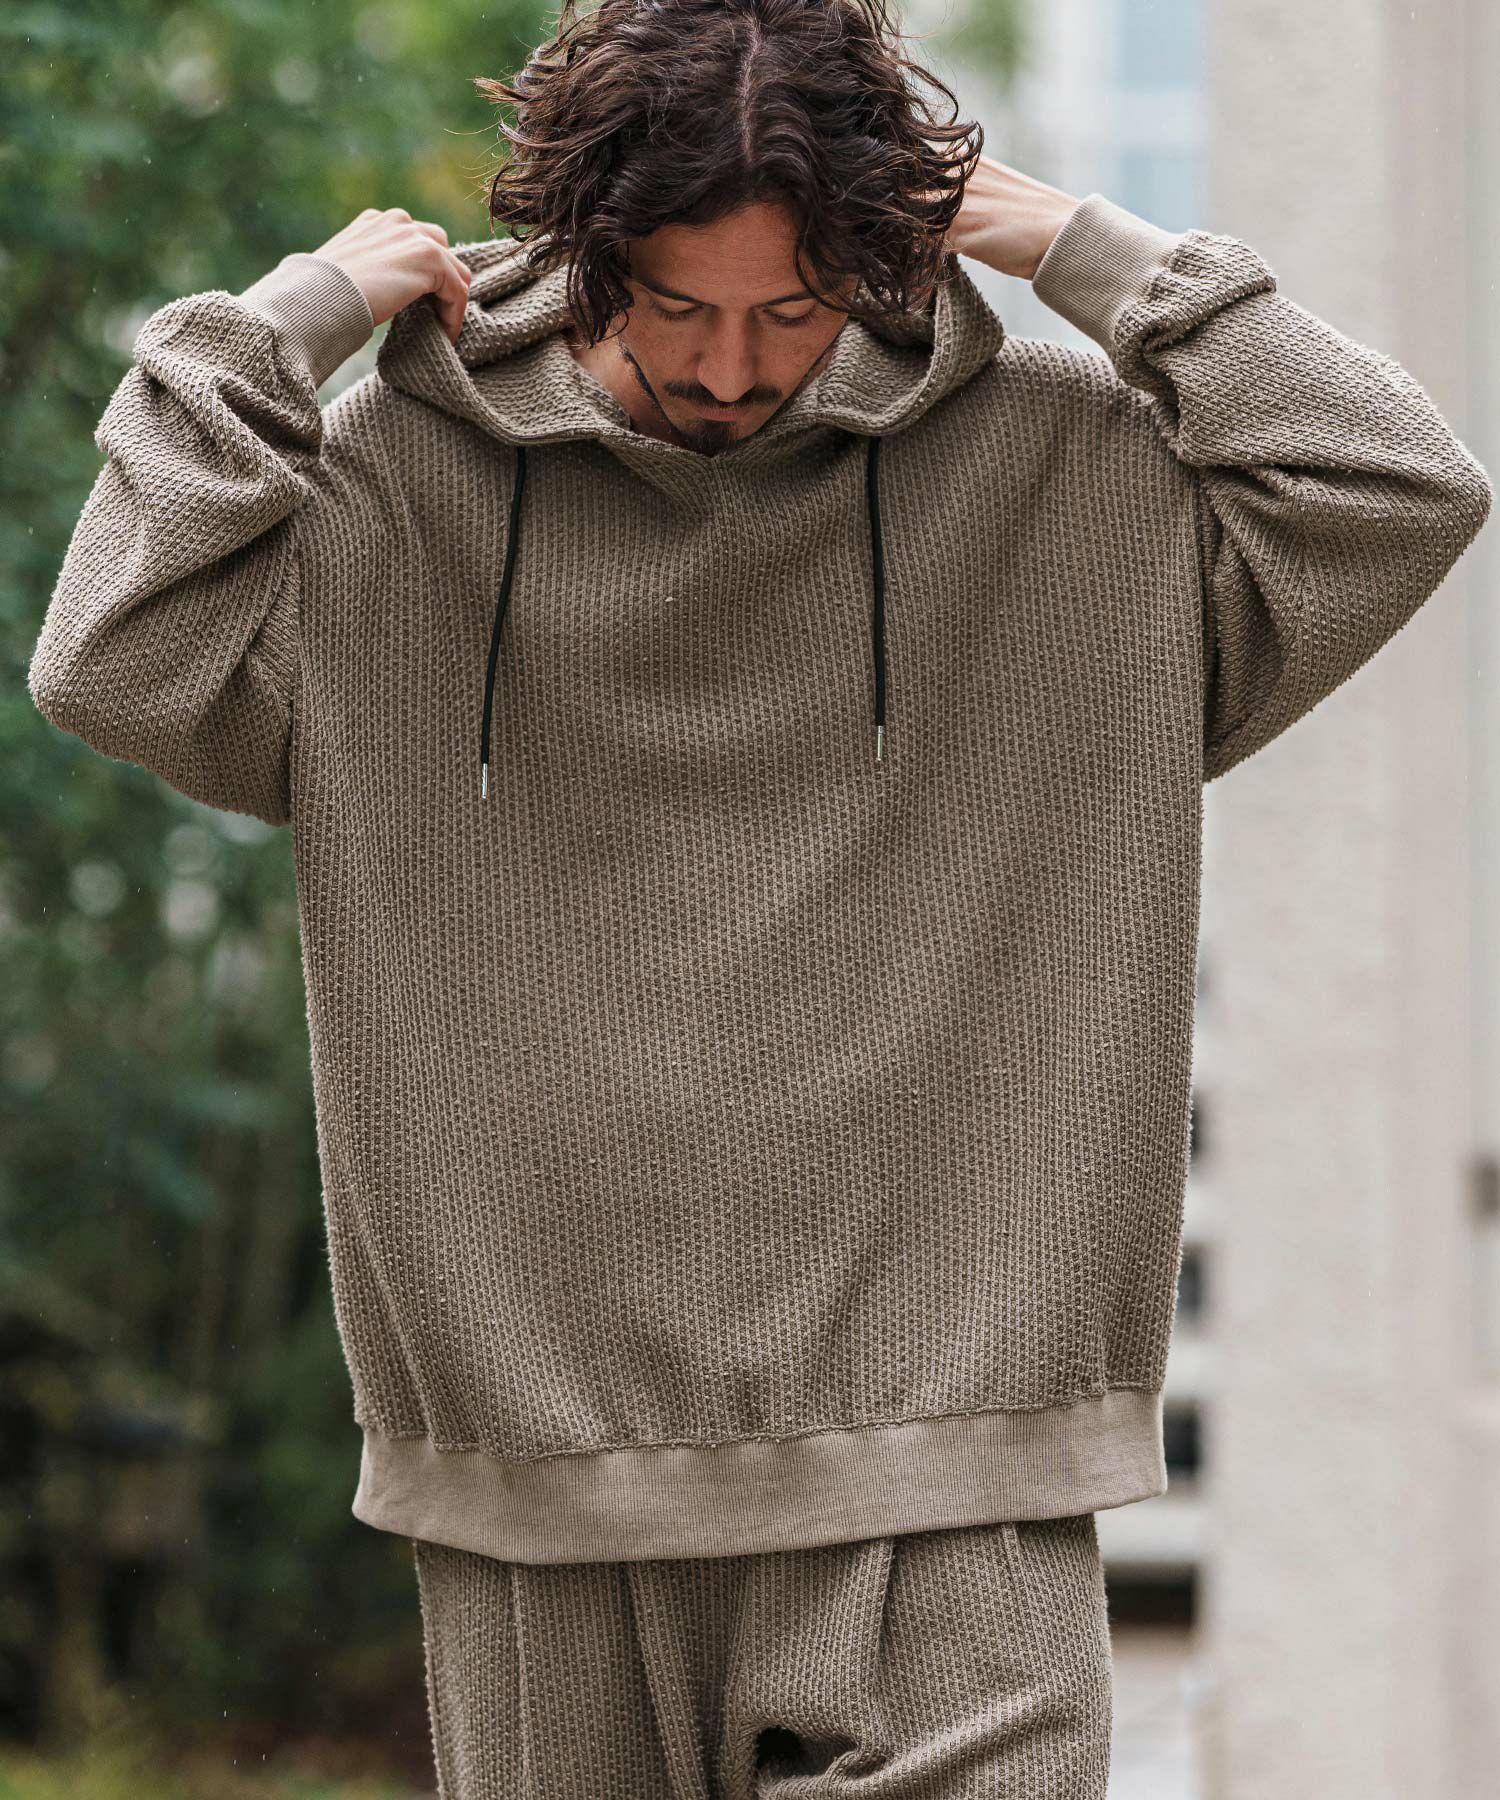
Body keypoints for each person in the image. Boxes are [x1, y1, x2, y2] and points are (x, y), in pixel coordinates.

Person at [26, 0, 1494, 1793]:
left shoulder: (1068, 473)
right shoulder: (389, 493)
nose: (733, 366)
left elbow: (1394, 485)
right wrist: (275, 328)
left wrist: (1091, 253)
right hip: (543, 1493)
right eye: (676, 306)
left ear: (881, 256)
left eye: (793, 311)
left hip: (961, 1473)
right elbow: (114, 657)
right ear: (577, 255)